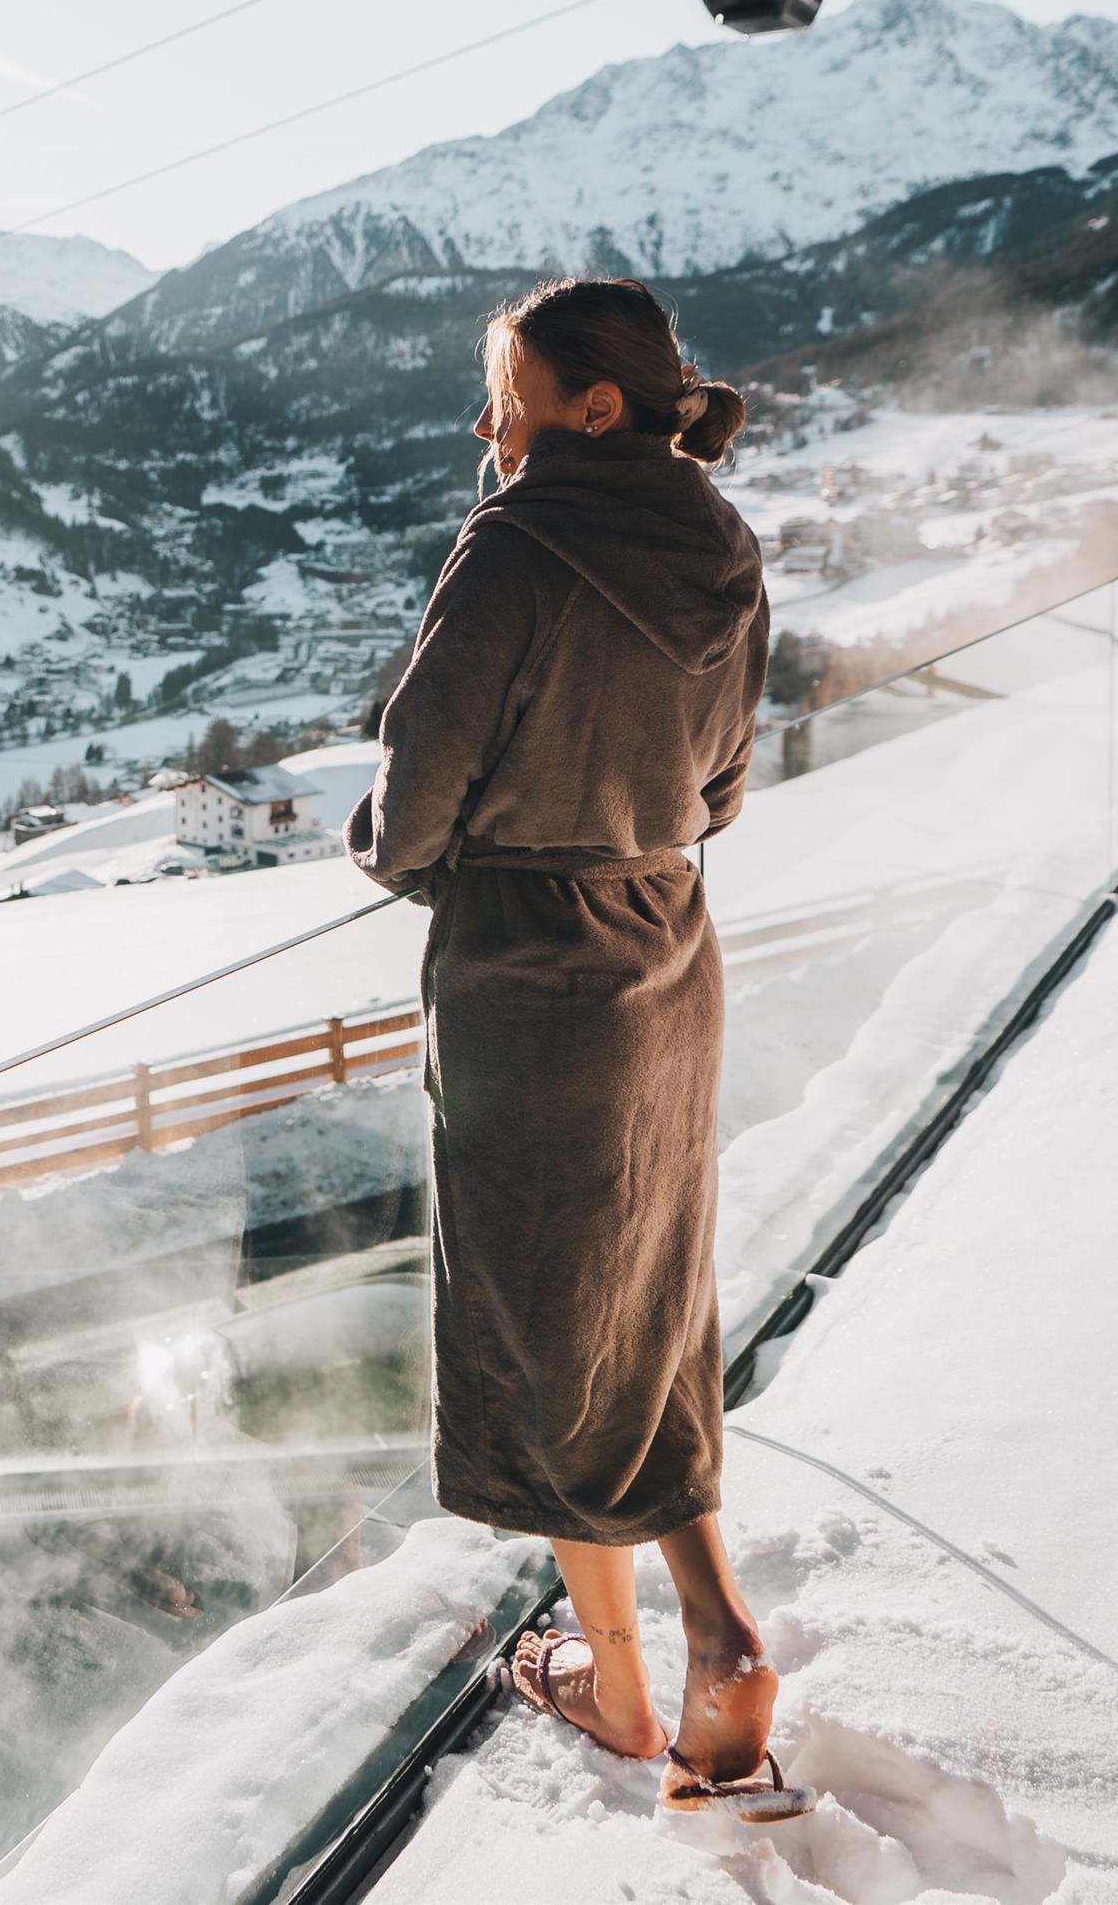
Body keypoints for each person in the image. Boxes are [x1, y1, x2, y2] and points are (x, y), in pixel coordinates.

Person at [344, 275, 812, 1824]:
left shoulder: (516, 543)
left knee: (553, 1338)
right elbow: (721, 791)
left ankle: (621, 1684)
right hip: (665, 950)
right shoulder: (721, 543)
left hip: (530, 984)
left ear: (592, 408)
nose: (488, 430)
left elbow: (413, 808)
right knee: (653, 1312)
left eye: (508, 400)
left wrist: (400, 848)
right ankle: (723, 1640)